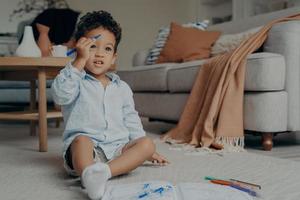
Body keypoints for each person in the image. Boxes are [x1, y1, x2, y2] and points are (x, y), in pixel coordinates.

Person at [51, 10, 169, 200]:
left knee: (147, 144)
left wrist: (145, 150)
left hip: (118, 150)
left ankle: (104, 172)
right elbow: (59, 96)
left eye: (107, 49)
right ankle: (88, 173)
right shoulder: (74, 79)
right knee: (81, 140)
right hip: (88, 150)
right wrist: (79, 61)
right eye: (92, 47)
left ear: (114, 57)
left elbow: (131, 119)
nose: (99, 54)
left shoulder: (122, 88)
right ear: (80, 47)